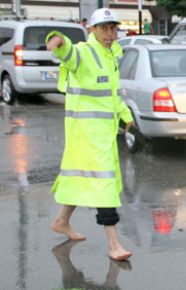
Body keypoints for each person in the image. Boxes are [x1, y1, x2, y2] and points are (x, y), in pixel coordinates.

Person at [46, 8, 134, 261]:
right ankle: (114, 244)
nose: (111, 33)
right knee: (104, 186)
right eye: (105, 28)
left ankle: (62, 221)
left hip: (101, 135)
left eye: (114, 28)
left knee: (81, 181)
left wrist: (126, 116)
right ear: (92, 30)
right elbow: (69, 53)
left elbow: (112, 95)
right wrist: (58, 41)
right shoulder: (86, 52)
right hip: (87, 136)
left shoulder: (110, 58)